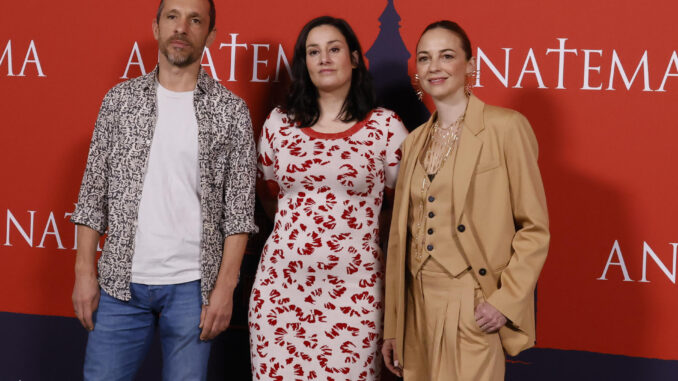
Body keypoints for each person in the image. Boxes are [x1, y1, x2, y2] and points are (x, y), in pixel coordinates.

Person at [70, 0, 257, 379]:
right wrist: (84, 273)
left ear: (211, 35)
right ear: (156, 27)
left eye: (194, 20)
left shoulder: (231, 112)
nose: (181, 28)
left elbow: (239, 213)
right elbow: (93, 196)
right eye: (172, 17)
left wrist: (224, 289)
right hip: (121, 283)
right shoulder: (119, 102)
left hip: (192, 287)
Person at [381, 20, 550, 381]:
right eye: (424, 59)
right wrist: (394, 326)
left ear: (470, 65)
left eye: (446, 56)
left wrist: (505, 301)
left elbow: (534, 228)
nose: (434, 67)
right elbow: (399, 240)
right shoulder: (412, 143)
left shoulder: (506, 127)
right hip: (416, 304)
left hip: (473, 301)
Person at [249, 16, 408, 381]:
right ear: (304, 63)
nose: (324, 58)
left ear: (354, 58)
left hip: (356, 295)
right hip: (281, 292)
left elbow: (401, 208)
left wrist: (352, 243)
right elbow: (269, 193)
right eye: (313, 51)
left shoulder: (386, 127)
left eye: (334, 49)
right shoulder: (278, 124)